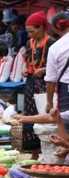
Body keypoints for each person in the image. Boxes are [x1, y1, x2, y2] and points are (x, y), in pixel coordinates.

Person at [22, 10, 56, 153]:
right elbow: (28, 59)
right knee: (30, 112)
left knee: (44, 111)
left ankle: (49, 145)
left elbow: (56, 65)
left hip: (45, 83)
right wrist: (26, 68)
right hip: (31, 81)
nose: (30, 35)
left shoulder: (51, 43)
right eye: (28, 32)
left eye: (32, 31)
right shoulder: (29, 43)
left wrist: (43, 70)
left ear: (41, 28)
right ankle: (33, 147)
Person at [45, 11, 69, 114]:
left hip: (66, 90)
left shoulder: (55, 48)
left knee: (66, 124)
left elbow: (51, 79)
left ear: (55, 28)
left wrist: (49, 102)